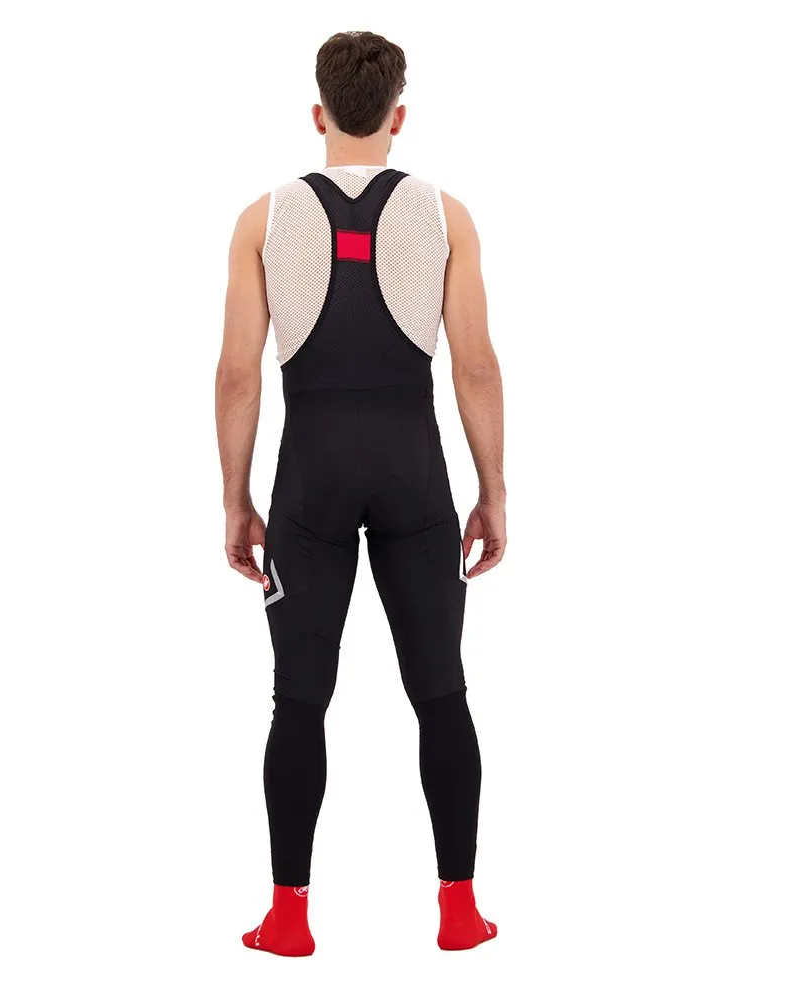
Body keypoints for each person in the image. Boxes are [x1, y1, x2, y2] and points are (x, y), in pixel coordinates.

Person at [215, 30, 506, 956]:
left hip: (310, 485)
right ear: (398, 117)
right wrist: (493, 491)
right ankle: (458, 911)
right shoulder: (446, 216)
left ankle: (288, 918)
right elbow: (475, 367)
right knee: (441, 693)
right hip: (415, 478)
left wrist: (236, 500)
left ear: (319, 114)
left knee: (298, 702)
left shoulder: (261, 220)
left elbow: (238, 375)